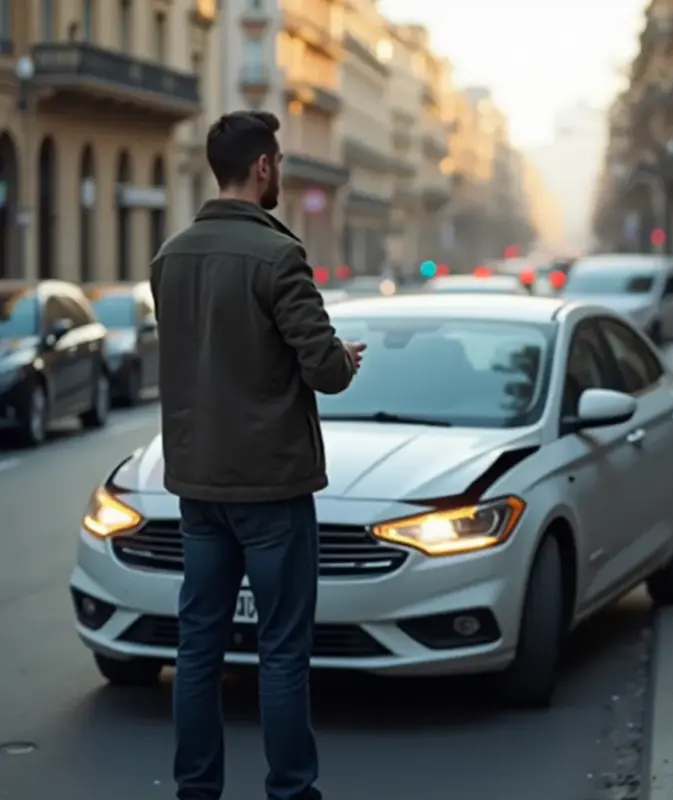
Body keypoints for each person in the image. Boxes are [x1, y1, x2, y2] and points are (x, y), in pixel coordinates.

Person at [150, 110, 366, 800]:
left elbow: (204, 356)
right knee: (280, 653)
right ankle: (292, 791)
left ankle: (196, 789)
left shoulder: (171, 257)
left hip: (197, 482)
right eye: (280, 162)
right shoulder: (279, 255)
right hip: (271, 486)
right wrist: (341, 359)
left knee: (198, 648)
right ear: (265, 167)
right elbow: (323, 371)